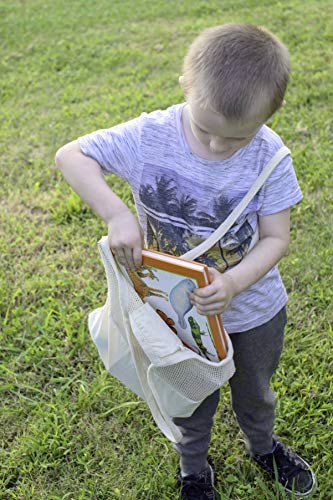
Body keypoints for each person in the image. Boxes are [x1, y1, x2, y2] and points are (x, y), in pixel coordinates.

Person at [55, 23, 317, 499]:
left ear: (268, 117)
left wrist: (234, 282)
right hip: (176, 314)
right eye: (205, 130)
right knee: (189, 398)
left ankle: (262, 445)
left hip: (253, 311)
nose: (218, 147)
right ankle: (193, 467)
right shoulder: (150, 137)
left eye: (236, 139)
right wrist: (116, 214)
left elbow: (277, 238)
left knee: (255, 392)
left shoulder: (271, 157)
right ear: (186, 86)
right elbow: (70, 156)